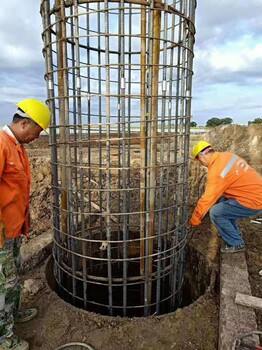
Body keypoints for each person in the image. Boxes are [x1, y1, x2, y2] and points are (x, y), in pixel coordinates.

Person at [0, 99, 51, 350]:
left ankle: (14, 313)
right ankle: (3, 339)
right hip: (0, 233)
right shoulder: (0, 145)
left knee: (13, 278)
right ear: (24, 123)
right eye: (37, 132)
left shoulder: (16, 146)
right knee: (1, 283)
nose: (37, 137)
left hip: (13, 229)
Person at [189, 141, 262, 254]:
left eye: (198, 160)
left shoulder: (216, 172)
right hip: (255, 192)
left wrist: (195, 219)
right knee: (221, 200)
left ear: (202, 156)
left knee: (216, 212)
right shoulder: (228, 156)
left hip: (255, 201)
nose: (201, 163)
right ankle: (235, 234)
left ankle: (236, 243)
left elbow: (207, 199)